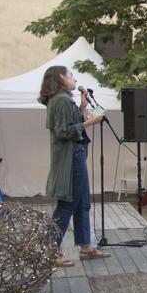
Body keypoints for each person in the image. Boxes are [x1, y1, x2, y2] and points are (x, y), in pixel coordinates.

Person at [39, 65, 109, 267]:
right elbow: (63, 131)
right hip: (71, 158)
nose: (75, 79)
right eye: (71, 75)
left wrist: (83, 107)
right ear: (61, 78)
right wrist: (91, 122)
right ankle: (51, 250)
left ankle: (86, 246)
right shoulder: (60, 100)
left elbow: (70, 123)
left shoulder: (64, 100)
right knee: (68, 204)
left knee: (82, 203)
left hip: (76, 155)